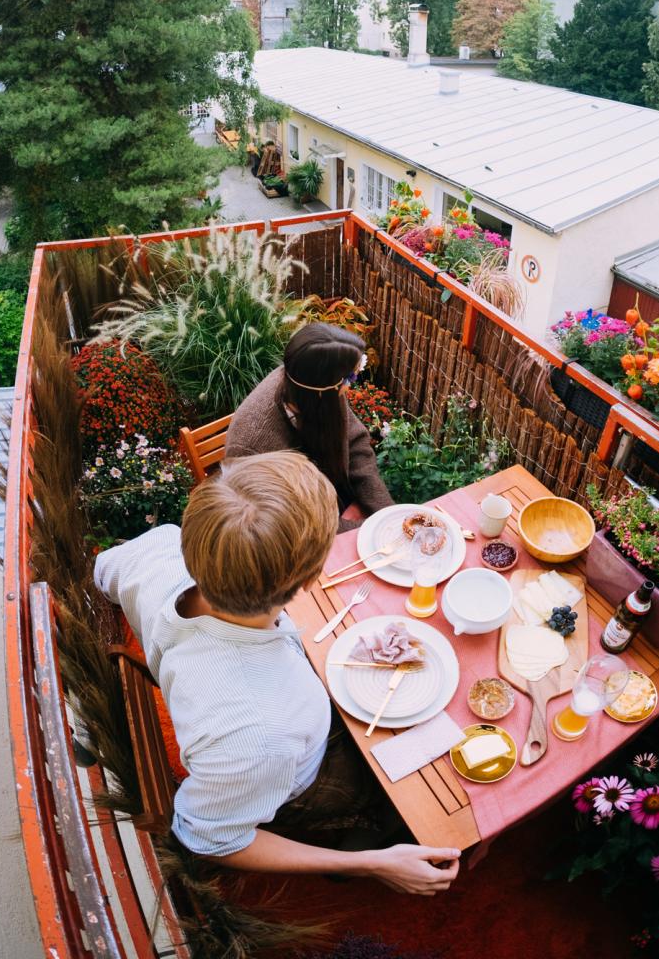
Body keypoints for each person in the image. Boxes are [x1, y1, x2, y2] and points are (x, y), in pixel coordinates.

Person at [94, 452, 459, 894]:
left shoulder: (160, 549)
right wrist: (372, 863)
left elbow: (102, 575)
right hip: (302, 780)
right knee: (436, 760)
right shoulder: (264, 738)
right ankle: (369, 836)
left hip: (259, 726)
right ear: (309, 583)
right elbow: (209, 838)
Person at [225, 322, 393, 531]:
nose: (351, 386)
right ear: (321, 391)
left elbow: (355, 444)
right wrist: (365, 530)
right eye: (350, 378)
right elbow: (287, 521)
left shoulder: (318, 385)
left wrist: (386, 513)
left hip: (334, 499)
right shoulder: (253, 447)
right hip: (298, 530)